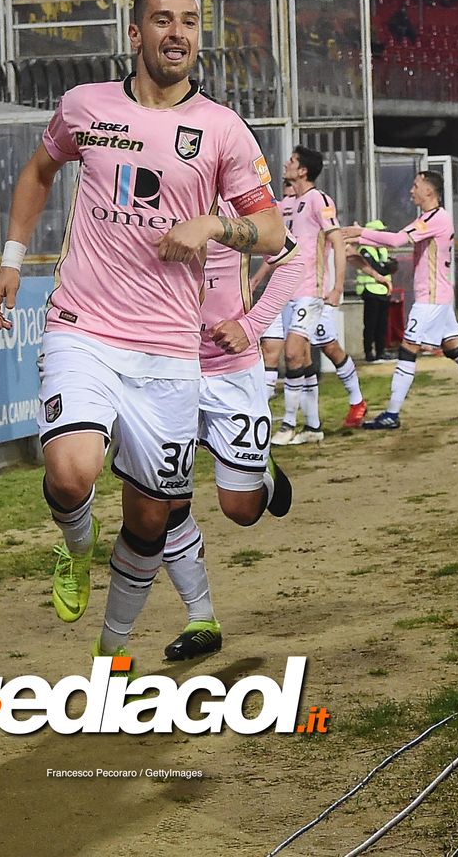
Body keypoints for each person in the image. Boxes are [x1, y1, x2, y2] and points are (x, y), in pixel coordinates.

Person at [0, 0, 287, 664]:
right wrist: (11, 258)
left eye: (188, 20)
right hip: (82, 327)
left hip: (167, 354)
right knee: (71, 472)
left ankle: (112, 650)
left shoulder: (220, 128)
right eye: (161, 20)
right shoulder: (84, 106)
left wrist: (213, 223)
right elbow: (39, 171)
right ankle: (75, 544)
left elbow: (269, 230)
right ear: (136, 33)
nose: (176, 32)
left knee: (152, 518)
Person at [162, 204, 303, 661]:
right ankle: (201, 619)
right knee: (163, 499)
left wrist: (250, 326)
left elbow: (293, 261)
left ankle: (260, 467)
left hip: (229, 373)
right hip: (163, 368)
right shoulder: (150, 196)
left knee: (241, 511)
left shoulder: (236, 205)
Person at [342, 172, 458, 427]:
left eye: (415, 186)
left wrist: (359, 232)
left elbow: (397, 240)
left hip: (431, 299)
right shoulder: (429, 218)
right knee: (453, 348)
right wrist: (360, 236)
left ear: (429, 191)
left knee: (408, 349)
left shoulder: (436, 218)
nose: (412, 191)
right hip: (438, 296)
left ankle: (392, 414)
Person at [269, 148, 356, 445]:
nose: (286, 164)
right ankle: (314, 427)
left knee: (292, 352)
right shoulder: (290, 203)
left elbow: (336, 240)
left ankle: (289, 424)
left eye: (291, 161)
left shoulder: (320, 200)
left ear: (303, 170)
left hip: (311, 292)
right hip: (288, 291)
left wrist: (337, 286)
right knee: (301, 357)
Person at [351, 220, 398, 362]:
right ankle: (369, 353)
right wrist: (386, 266)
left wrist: (387, 266)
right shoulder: (365, 249)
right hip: (369, 290)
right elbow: (380, 268)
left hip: (383, 291)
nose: (382, 235)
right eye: (379, 232)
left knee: (382, 324)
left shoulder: (382, 249)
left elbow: (393, 267)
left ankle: (381, 351)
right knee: (370, 324)